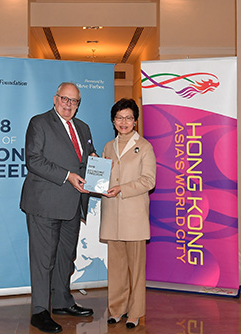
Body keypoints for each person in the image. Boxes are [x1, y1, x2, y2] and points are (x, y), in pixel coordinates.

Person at [20, 82, 96, 333]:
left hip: (73, 204)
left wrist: (96, 167)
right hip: (44, 203)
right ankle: (40, 311)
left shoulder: (83, 127)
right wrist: (68, 175)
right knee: (43, 260)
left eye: (74, 101)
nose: (69, 104)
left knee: (66, 256)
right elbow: (34, 160)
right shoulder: (39, 123)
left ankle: (62, 302)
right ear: (55, 99)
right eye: (65, 99)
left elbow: (88, 158)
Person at [100, 98, 156, 329]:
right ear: (113, 120)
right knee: (117, 268)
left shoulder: (144, 146)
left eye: (129, 118)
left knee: (136, 270)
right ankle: (116, 309)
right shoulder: (107, 146)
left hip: (134, 216)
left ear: (135, 121)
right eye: (119, 117)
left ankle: (134, 312)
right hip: (112, 214)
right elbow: (102, 178)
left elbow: (149, 181)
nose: (124, 122)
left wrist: (123, 188)